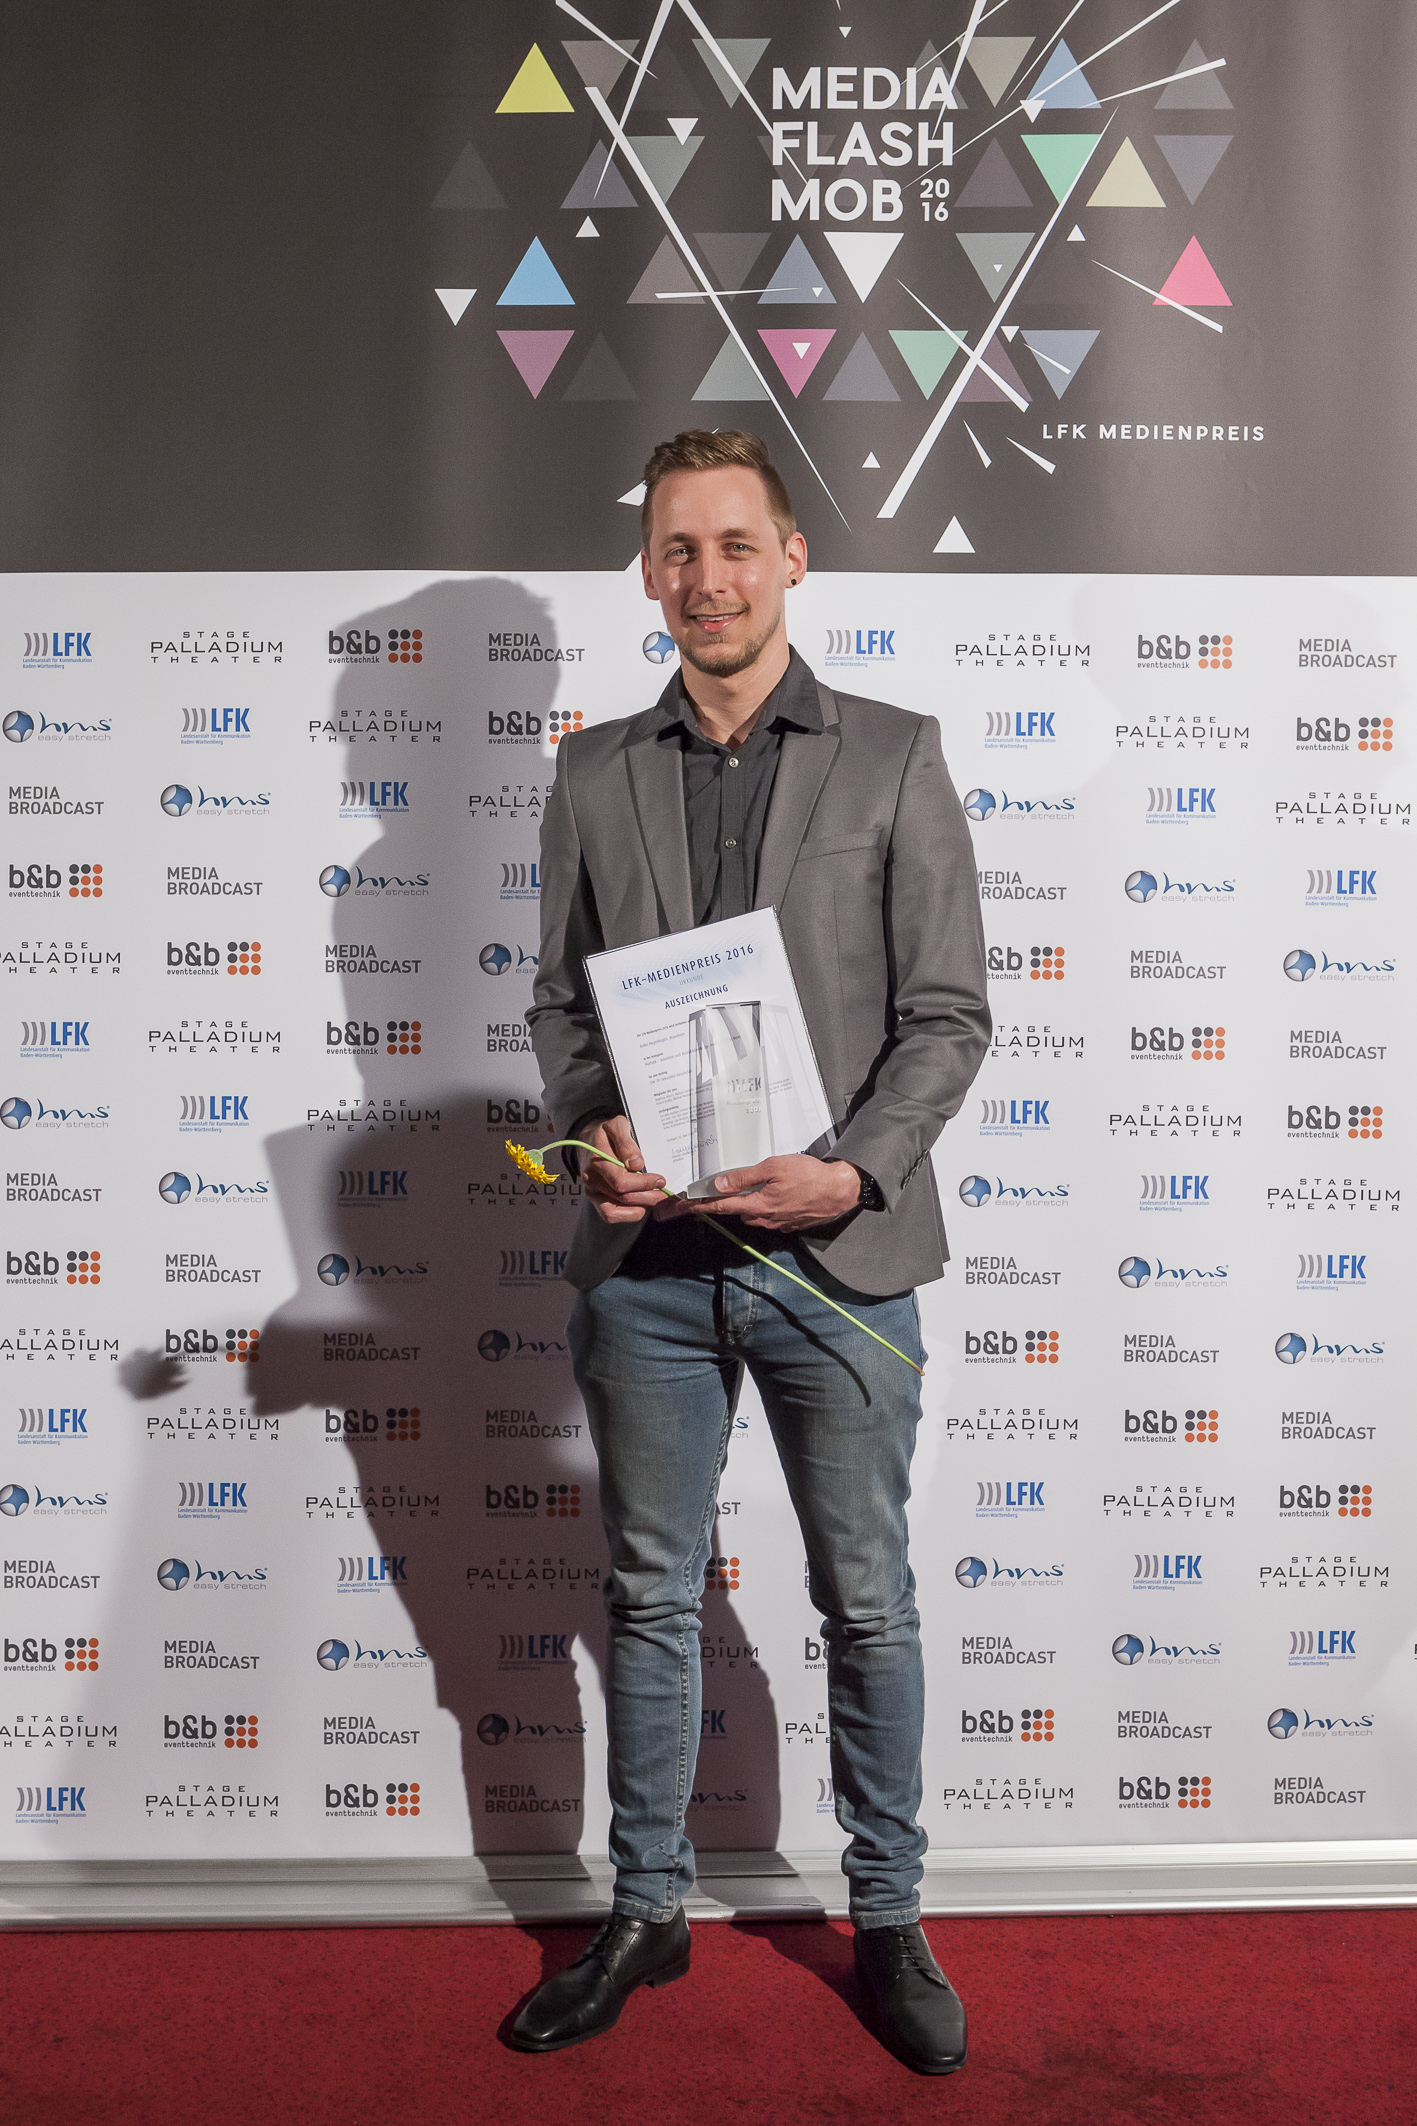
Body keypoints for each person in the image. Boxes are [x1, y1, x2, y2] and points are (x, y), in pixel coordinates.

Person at [515, 430, 989, 2072]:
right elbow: (562, 1007)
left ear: (791, 558)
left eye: (734, 544)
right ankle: (644, 1909)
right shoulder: (591, 771)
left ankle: (889, 1914)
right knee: (647, 1594)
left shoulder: (896, 755)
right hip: (649, 1273)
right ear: (646, 574)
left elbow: (945, 1015)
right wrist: (596, 1131)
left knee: (867, 1600)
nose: (705, 578)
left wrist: (847, 1171)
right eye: (676, 549)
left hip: (835, 1261)